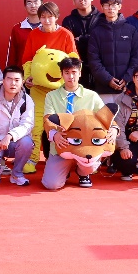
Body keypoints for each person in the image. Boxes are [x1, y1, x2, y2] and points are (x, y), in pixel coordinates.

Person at [40, 56, 113, 190]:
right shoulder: (51, 96)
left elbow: (106, 117)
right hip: (62, 146)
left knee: (90, 164)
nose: (71, 77)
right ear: (62, 74)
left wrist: (114, 129)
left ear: (80, 73)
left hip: (86, 148)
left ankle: (82, 173)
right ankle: (65, 170)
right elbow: (47, 119)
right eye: (67, 73)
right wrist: (55, 135)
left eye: (74, 72)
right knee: (52, 185)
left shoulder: (92, 96)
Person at [0, 66, 37, 186]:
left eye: (17, 80)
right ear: (3, 81)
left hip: (15, 141)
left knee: (27, 143)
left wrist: (10, 136)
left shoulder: (27, 100)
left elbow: (27, 124)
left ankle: (17, 174)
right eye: (9, 79)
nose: (13, 83)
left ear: (22, 82)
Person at [84, 0, 138, 104]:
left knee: (126, 116)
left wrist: (127, 78)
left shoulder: (130, 30)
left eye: (114, 4)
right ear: (102, 7)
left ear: (120, 6)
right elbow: (93, 60)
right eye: (107, 5)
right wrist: (108, 79)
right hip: (103, 89)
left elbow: (137, 57)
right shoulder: (96, 32)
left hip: (127, 89)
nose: (110, 8)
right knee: (105, 116)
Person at [62, 0, 101, 88]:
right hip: (77, 71)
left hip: (99, 68)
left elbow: (102, 41)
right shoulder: (68, 21)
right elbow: (69, 44)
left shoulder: (102, 18)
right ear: (73, 1)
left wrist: (82, 38)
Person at [17, 2, 77, 66]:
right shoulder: (33, 34)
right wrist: (28, 71)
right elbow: (27, 59)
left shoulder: (66, 34)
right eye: (43, 17)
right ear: (39, 18)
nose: (46, 21)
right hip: (38, 71)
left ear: (56, 17)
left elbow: (74, 60)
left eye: (50, 17)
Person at [6, 0, 45, 67]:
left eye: (36, 2)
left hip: (44, 71)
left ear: (42, 5)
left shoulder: (48, 27)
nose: (33, 6)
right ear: (25, 7)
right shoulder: (17, 29)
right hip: (22, 70)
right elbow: (12, 54)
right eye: (29, 3)